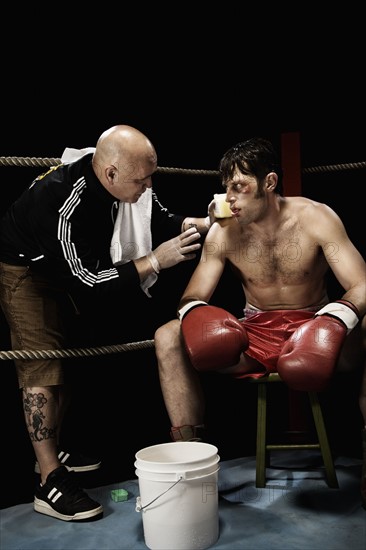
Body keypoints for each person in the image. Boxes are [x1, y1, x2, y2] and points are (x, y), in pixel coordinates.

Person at [0, 125, 217, 521]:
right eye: (142, 178)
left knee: (71, 361)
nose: (148, 185)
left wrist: (209, 221)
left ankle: (50, 446)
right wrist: (155, 260)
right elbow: (85, 283)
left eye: (152, 174)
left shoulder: (125, 180)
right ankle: (48, 478)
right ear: (111, 174)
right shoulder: (61, 201)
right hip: (30, 272)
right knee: (42, 368)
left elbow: (159, 216)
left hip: (73, 268)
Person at [154, 137, 366, 509]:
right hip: (256, 335)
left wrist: (332, 321)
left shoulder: (316, 217)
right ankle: (190, 468)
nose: (229, 198)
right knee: (168, 335)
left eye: (239, 187)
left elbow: (361, 284)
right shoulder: (224, 231)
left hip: (316, 329)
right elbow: (191, 298)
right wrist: (201, 319)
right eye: (226, 188)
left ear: (269, 183)